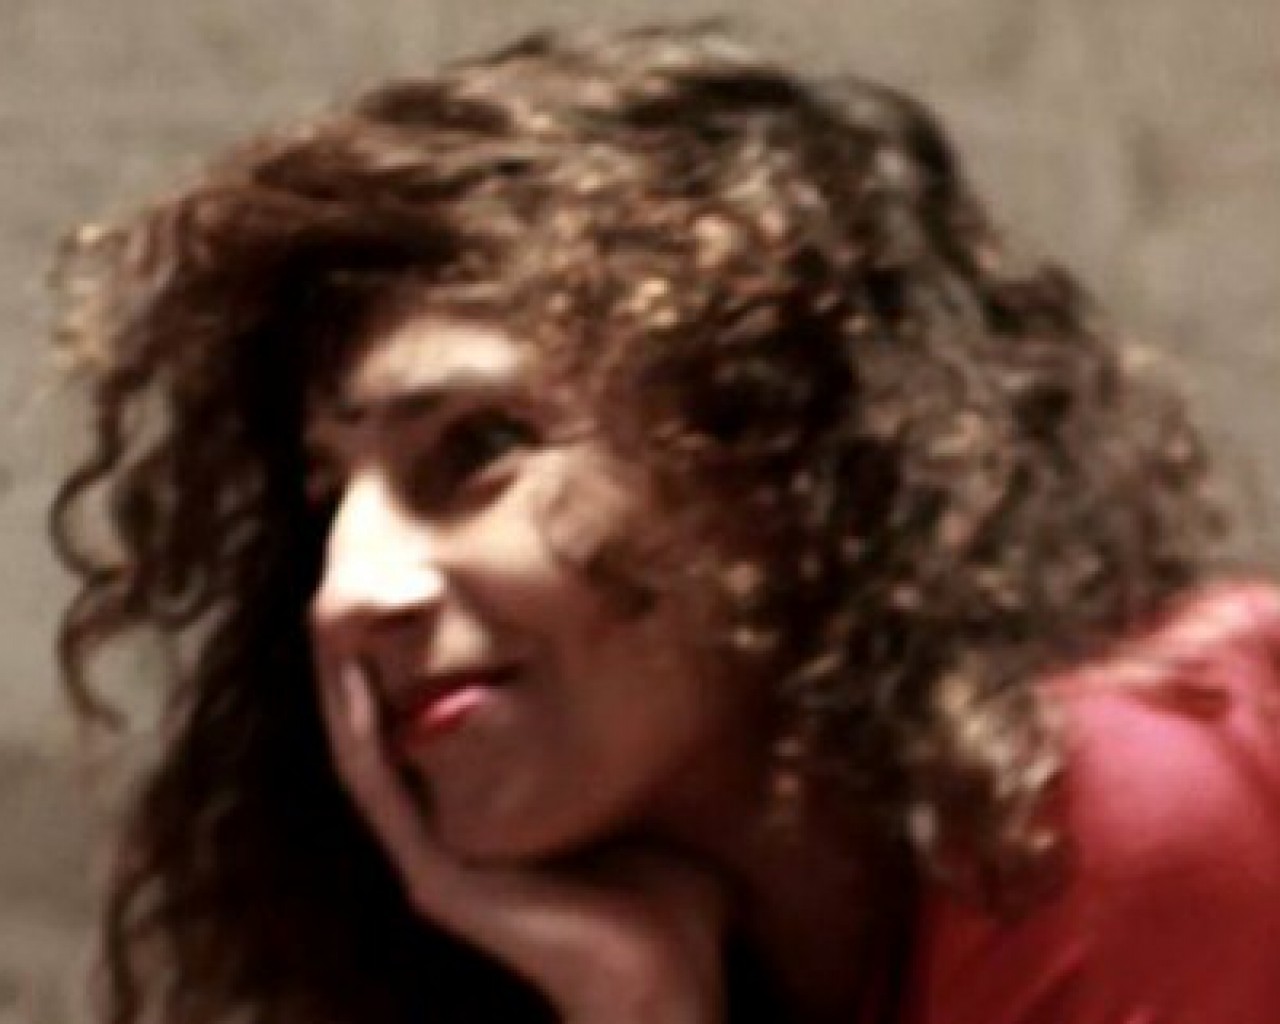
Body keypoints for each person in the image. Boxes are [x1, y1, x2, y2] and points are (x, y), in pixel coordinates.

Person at [50, 24, 1280, 1024]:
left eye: (476, 448)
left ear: (767, 444)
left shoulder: (1121, 810)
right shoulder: (642, 953)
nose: (346, 591)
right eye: (328, 500)